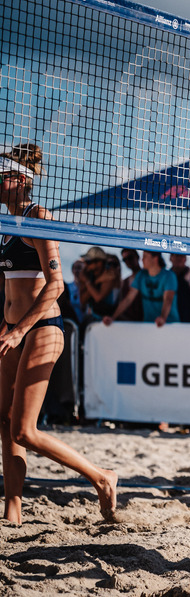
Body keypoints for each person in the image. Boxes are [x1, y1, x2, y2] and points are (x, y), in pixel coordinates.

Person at [0, 144, 117, 524]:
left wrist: (19, 329)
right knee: (4, 421)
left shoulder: (39, 216)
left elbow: (56, 285)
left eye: (1, 178)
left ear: (20, 180)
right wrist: (8, 326)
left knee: (24, 430)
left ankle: (101, 477)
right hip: (13, 329)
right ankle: (13, 512)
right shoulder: (6, 225)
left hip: (41, 328)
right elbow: (11, 287)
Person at [103, 251, 178, 327]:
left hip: (169, 325)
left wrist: (162, 318)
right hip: (149, 325)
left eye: (145, 256)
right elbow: (128, 299)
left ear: (155, 258)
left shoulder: (169, 276)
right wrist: (112, 318)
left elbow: (168, 299)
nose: (142, 260)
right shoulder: (141, 275)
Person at [76, 246, 120, 321]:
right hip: (94, 319)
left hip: (109, 321)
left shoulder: (110, 273)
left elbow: (98, 298)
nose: (85, 264)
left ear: (99, 263)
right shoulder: (87, 274)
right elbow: (82, 300)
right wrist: (96, 281)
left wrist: (87, 282)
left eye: (88, 262)